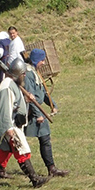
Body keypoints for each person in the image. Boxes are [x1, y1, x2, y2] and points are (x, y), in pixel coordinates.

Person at [0, 58, 50, 188]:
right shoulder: (7, 86)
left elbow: (15, 103)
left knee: (1, 153)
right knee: (22, 151)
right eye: (23, 74)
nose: (24, 76)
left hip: (13, 124)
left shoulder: (13, 84)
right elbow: (5, 108)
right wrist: (8, 127)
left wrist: (26, 99)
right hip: (10, 125)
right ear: (18, 73)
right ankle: (35, 179)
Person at [23, 49, 69, 178]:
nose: (43, 63)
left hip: (37, 110)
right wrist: (38, 114)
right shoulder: (29, 74)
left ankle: (52, 168)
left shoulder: (35, 72)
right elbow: (30, 97)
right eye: (42, 60)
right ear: (37, 60)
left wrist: (52, 105)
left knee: (45, 138)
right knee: (14, 143)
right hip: (29, 112)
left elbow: (42, 92)